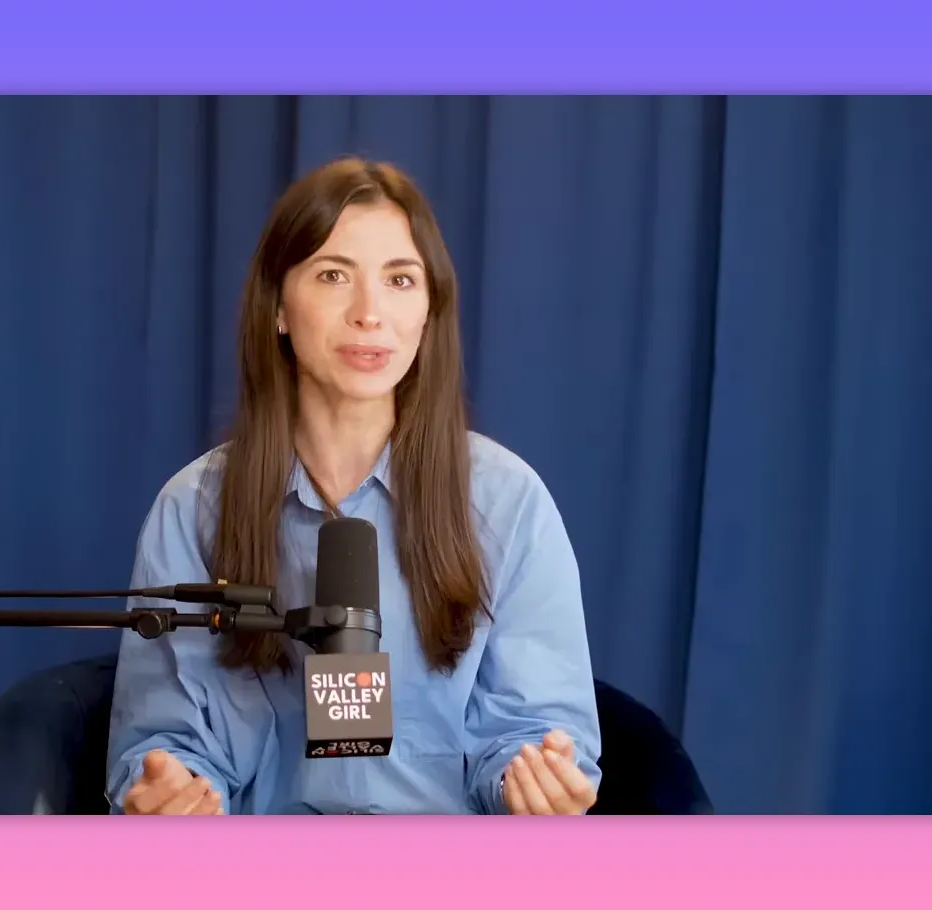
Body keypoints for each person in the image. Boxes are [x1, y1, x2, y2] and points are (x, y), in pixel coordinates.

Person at [105, 157, 601, 815]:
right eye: (335, 275)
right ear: (278, 307)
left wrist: (535, 782)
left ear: (430, 312)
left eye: (400, 279)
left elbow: (531, 734)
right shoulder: (193, 510)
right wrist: (171, 791)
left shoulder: (508, 503)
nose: (371, 313)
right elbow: (170, 741)